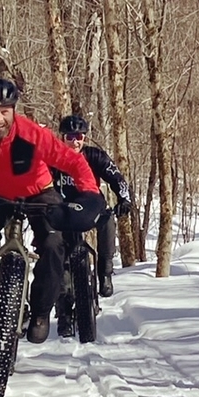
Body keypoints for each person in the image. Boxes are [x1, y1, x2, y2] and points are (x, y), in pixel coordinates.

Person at [0, 79, 106, 344]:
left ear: (13, 110)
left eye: (4, 112)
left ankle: (40, 313)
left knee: (52, 244)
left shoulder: (32, 134)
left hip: (40, 193)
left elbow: (74, 162)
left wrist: (88, 194)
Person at [53, 114, 133, 297]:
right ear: (62, 138)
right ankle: (61, 279)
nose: (74, 142)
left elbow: (117, 178)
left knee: (107, 221)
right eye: (70, 137)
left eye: (79, 137)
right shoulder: (54, 158)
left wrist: (124, 199)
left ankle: (105, 271)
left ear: (84, 138)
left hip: (91, 206)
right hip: (64, 209)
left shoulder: (95, 156)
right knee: (52, 236)